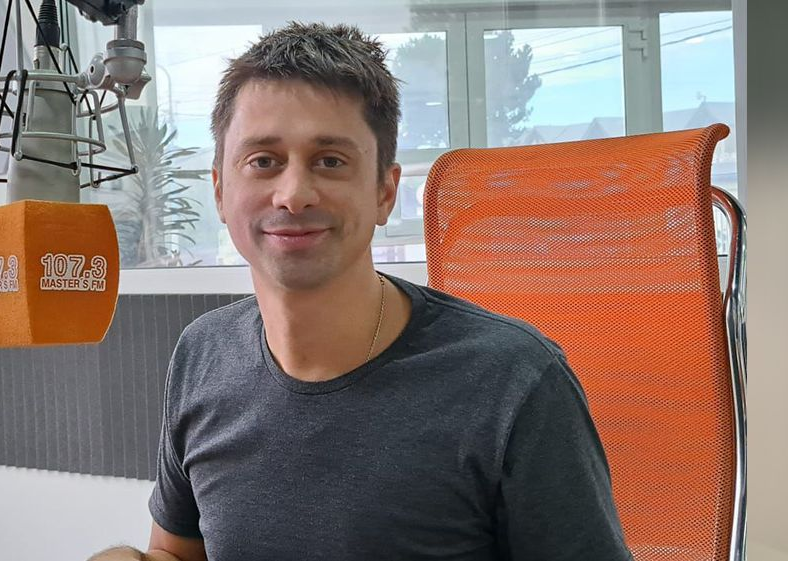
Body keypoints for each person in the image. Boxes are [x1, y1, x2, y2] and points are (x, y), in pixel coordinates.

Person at [95, 22, 632, 561]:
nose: (294, 194)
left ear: (384, 192)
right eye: (263, 161)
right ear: (219, 190)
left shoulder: (513, 380)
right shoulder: (203, 353)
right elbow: (177, 552)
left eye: (330, 161)